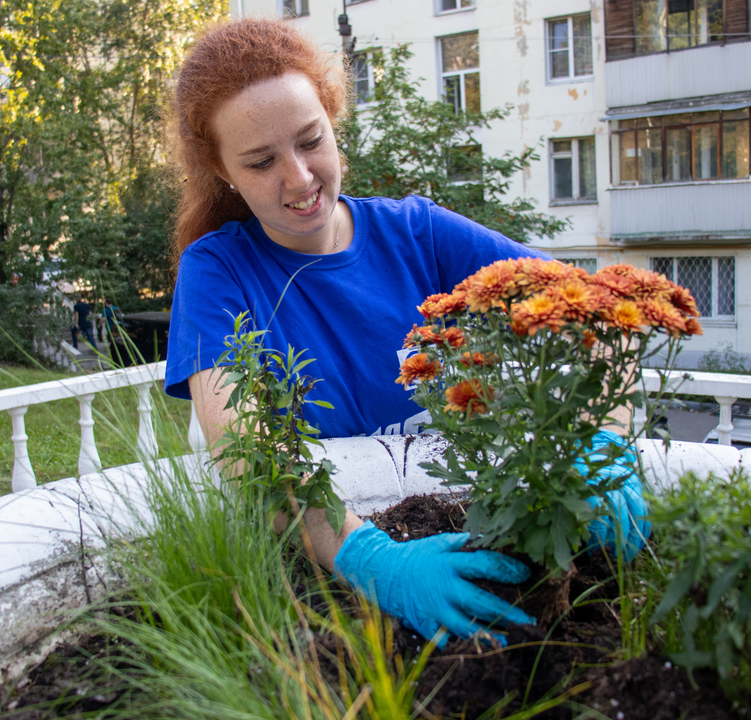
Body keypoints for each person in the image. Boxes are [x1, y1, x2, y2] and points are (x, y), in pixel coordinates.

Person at [163, 18, 647, 646]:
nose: (300, 178)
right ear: (222, 170)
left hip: (469, 520)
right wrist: (375, 562)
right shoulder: (218, 270)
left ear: (334, 121)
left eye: (311, 141)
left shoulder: (420, 234)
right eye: (261, 162)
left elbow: (602, 311)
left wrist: (606, 441)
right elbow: (244, 447)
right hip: (324, 566)